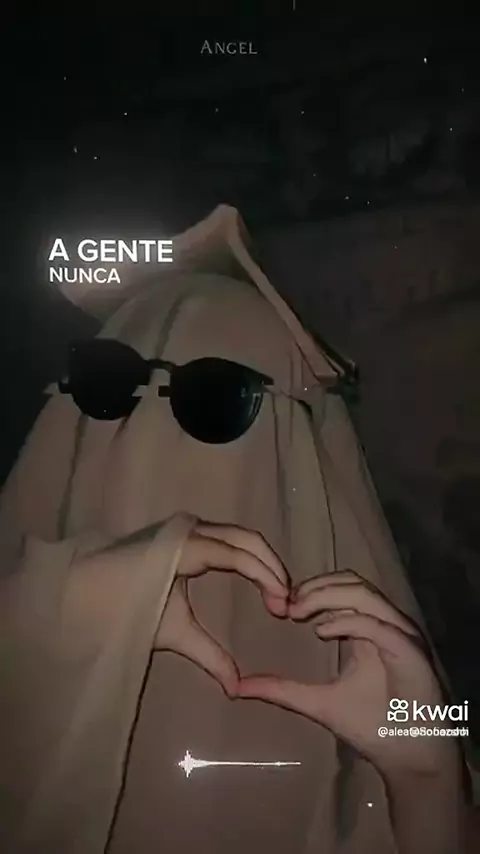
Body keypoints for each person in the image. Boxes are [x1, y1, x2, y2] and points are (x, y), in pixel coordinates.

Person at [0, 205, 478, 853]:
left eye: (219, 398)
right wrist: (60, 608)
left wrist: (430, 791)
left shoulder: (385, 681)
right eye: (105, 385)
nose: (148, 443)